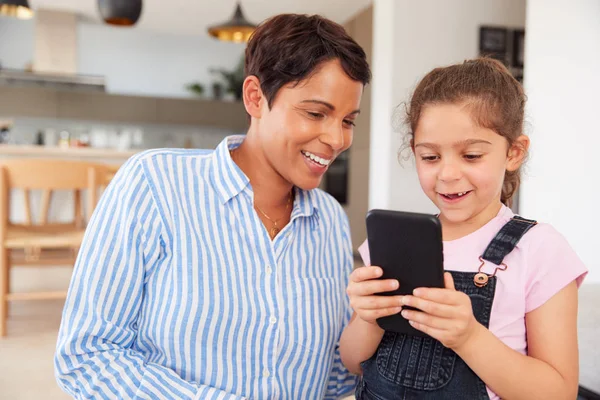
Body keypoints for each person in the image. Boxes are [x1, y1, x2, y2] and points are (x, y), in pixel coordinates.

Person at [55, 13, 370, 400]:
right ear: (255, 97)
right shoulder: (155, 185)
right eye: (316, 113)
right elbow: (86, 355)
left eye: (349, 121)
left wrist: (375, 319)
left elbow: (329, 379)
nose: (336, 139)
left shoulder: (330, 221)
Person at [340, 58, 587, 400]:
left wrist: (469, 337)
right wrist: (368, 319)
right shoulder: (393, 243)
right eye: (430, 157)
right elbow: (352, 361)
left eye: (471, 156)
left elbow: (558, 392)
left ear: (513, 153)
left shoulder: (540, 250)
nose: (448, 174)